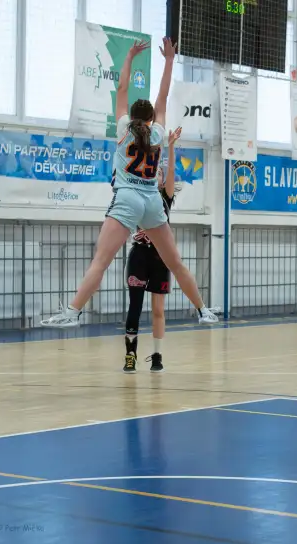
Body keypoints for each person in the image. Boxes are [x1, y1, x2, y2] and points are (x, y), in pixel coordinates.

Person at [41, 38, 218, 328]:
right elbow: (163, 97)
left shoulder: (123, 128)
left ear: (132, 116)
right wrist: (170, 61)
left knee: (101, 260)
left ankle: (72, 313)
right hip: (152, 201)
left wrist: (130, 56)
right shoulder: (158, 134)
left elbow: (122, 87)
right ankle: (203, 310)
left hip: (127, 198)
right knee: (175, 262)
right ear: (151, 119)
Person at [123, 126, 181, 374]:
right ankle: (130, 355)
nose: (157, 174)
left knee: (158, 309)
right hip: (139, 255)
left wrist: (171, 145)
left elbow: (171, 172)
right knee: (135, 307)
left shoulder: (165, 197)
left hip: (160, 257)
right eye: (154, 171)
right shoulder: (135, 194)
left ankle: (157, 355)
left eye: (159, 172)